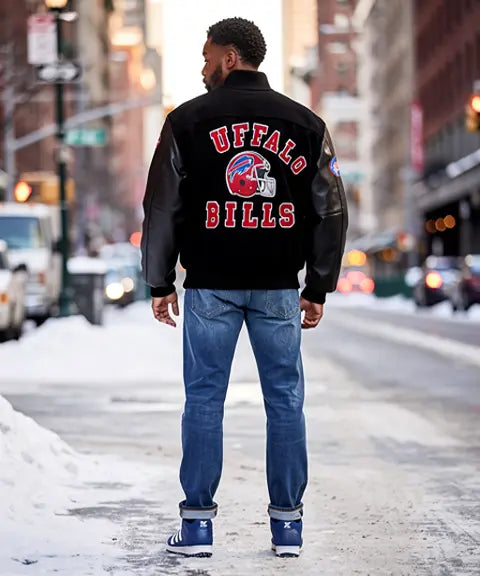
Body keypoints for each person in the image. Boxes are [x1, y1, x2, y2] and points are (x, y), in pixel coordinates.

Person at [141, 17, 347, 559]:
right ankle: (287, 528)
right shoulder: (306, 123)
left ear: (230, 57)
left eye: (208, 56)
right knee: (285, 400)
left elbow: (161, 206)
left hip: (210, 286)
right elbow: (330, 209)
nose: (203, 67)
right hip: (277, 286)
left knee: (204, 401)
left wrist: (160, 280)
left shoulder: (186, 121)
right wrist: (318, 285)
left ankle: (197, 528)